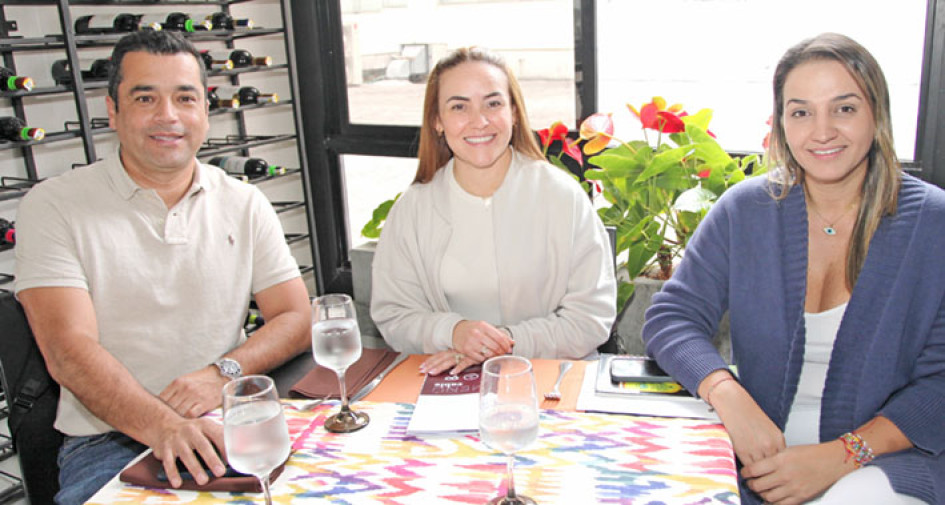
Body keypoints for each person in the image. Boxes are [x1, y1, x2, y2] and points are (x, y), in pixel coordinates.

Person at [642, 32, 945, 505]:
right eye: (801, 112)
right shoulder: (746, 209)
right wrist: (729, 395)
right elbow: (671, 317)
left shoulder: (933, 224)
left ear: (877, 114)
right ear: (781, 123)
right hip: (753, 459)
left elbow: (940, 384)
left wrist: (840, 457)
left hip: (885, 463)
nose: (821, 132)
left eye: (844, 108)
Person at [13, 31, 311, 504]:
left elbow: (296, 318)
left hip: (228, 422)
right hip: (109, 442)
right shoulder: (54, 205)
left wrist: (222, 373)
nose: (168, 116)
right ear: (112, 110)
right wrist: (165, 426)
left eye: (184, 98)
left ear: (205, 113)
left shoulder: (243, 202)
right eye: (145, 97)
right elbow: (68, 350)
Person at [370, 47, 616, 375]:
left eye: (493, 103)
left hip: (550, 379)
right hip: (449, 378)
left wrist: (503, 343)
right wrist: (452, 332)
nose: (480, 121)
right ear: (437, 121)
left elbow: (590, 319)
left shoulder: (562, 196)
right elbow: (394, 314)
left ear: (514, 112)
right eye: (459, 106)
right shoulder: (413, 209)